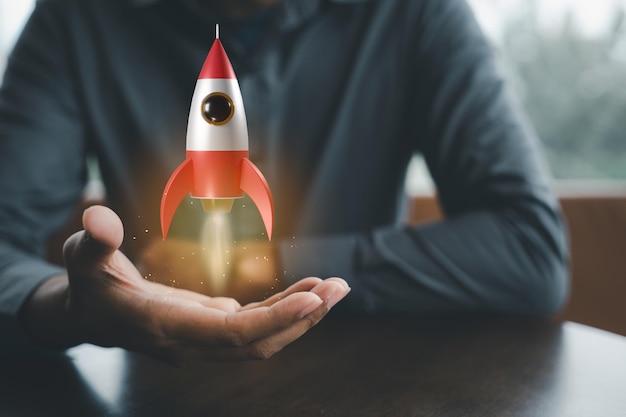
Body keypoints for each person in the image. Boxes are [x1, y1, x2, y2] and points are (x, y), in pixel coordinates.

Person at [0, 0, 569, 361]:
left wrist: (270, 266)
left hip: (372, 389)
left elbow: (530, 250)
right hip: (160, 388)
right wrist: (67, 304)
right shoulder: (74, 18)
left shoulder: (418, 13)